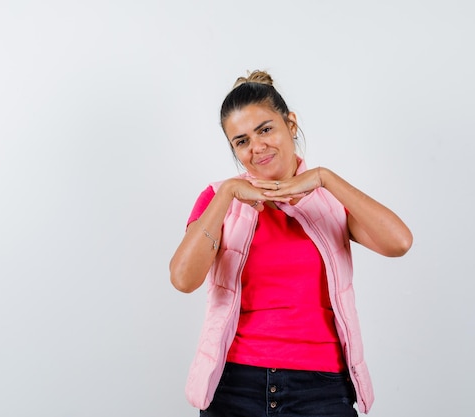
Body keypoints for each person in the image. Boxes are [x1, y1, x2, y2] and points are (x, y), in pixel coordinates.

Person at [169, 70, 412, 417]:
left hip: (321, 390)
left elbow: (399, 242)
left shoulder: (328, 201)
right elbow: (183, 279)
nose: (257, 147)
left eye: (265, 129)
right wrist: (227, 193)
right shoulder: (217, 199)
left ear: (291, 125)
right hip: (235, 386)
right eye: (241, 141)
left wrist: (325, 179)